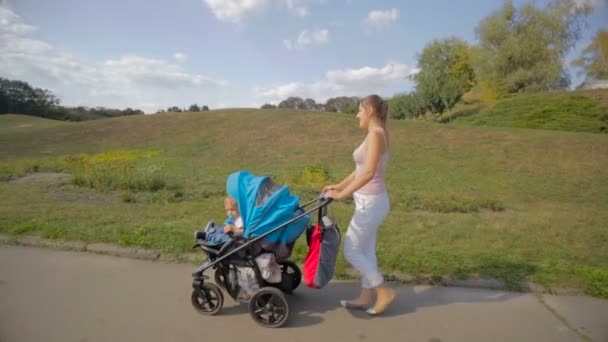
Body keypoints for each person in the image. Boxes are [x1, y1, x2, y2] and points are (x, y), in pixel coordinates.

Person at [322, 94, 396, 316]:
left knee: (352, 250)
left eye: (359, 110)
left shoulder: (375, 135)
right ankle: (366, 297)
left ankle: (383, 291)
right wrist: (338, 185)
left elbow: (369, 173)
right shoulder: (375, 134)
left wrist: (342, 194)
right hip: (371, 202)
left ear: (370, 111)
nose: (357, 115)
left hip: (370, 203)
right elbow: (359, 170)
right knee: (365, 250)